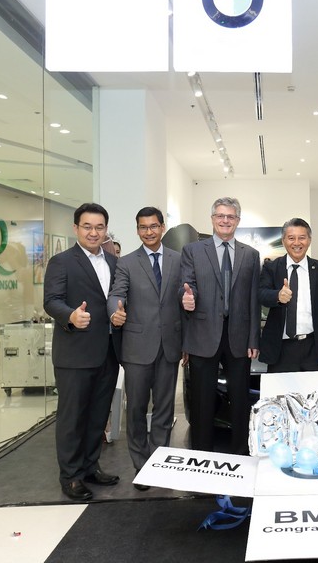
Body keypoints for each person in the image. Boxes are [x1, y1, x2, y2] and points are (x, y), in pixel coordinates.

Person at [43, 202, 120, 501]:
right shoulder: (61, 262)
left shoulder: (113, 261)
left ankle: (90, 466)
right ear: (76, 228)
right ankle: (71, 476)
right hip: (74, 353)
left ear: (106, 230)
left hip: (107, 353)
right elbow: (52, 301)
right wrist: (71, 316)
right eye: (87, 226)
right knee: (72, 418)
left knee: (98, 415)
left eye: (99, 227)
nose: (93, 232)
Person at [107, 207, 182, 491]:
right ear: (137, 230)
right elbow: (117, 293)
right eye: (143, 227)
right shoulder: (126, 263)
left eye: (153, 226)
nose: (148, 232)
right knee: (136, 409)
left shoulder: (178, 259)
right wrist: (115, 312)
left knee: (164, 409)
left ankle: (158, 463)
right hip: (137, 347)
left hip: (169, 346)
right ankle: (141, 465)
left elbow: (185, 293)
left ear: (162, 227)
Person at [180, 197, 261, 455]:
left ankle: (241, 453)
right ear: (213, 219)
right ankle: (202, 453)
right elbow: (185, 286)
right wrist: (186, 298)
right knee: (202, 401)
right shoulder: (193, 251)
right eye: (220, 216)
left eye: (230, 216)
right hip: (203, 335)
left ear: (238, 220)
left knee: (240, 400)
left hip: (239, 337)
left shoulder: (251, 255)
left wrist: (253, 339)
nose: (225, 220)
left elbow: (254, 300)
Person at [259, 218, 318, 373]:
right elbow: (261, 293)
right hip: (280, 350)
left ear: (309, 240)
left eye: (302, 237)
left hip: (314, 348)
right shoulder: (271, 268)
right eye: (291, 238)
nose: (297, 243)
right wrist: (277, 296)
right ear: (283, 240)